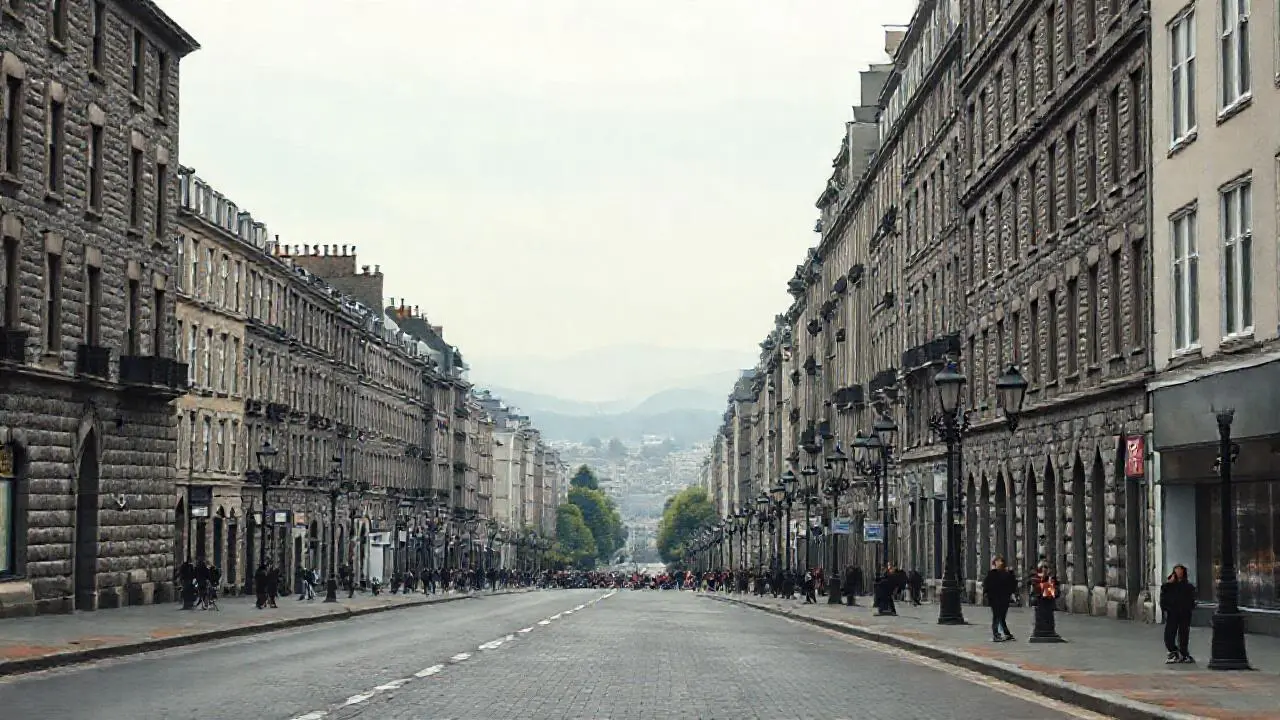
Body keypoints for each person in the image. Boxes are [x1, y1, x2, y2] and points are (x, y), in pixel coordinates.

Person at [1160, 564, 1196, 663]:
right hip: (1172, 613)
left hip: (1184, 613)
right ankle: (1173, 651)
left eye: (1180, 571)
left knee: (1184, 634)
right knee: (1169, 634)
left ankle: (1184, 653)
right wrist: (1168, 584)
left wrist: (1190, 607)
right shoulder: (1169, 586)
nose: (1178, 573)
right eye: (1176, 571)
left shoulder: (1188, 586)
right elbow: (1163, 596)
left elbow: (1192, 598)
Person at [983, 555, 1017, 641]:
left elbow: (1012, 585)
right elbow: (986, 585)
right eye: (997, 561)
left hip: (1004, 598)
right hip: (994, 599)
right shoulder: (991, 573)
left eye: (1001, 561)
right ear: (994, 563)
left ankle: (1006, 634)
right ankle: (996, 634)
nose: (999, 563)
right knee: (996, 616)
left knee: (1002, 617)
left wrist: (1012, 574)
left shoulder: (1007, 573)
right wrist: (987, 595)